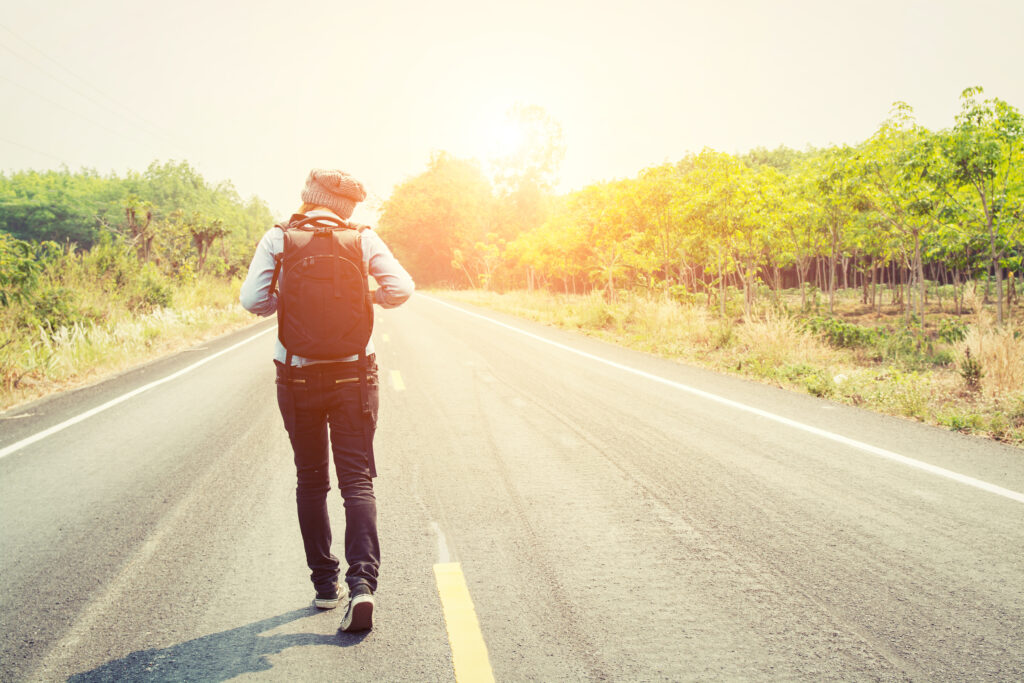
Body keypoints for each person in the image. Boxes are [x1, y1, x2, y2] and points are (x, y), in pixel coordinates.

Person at [240, 169, 414, 631]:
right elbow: (402, 288)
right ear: (345, 207)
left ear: (308, 197)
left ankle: (324, 585)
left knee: (311, 480)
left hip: (297, 376)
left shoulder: (278, 237)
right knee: (357, 480)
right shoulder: (362, 239)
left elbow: (251, 300)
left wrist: (289, 299)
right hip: (354, 373)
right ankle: (363, 586)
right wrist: (365, 295)